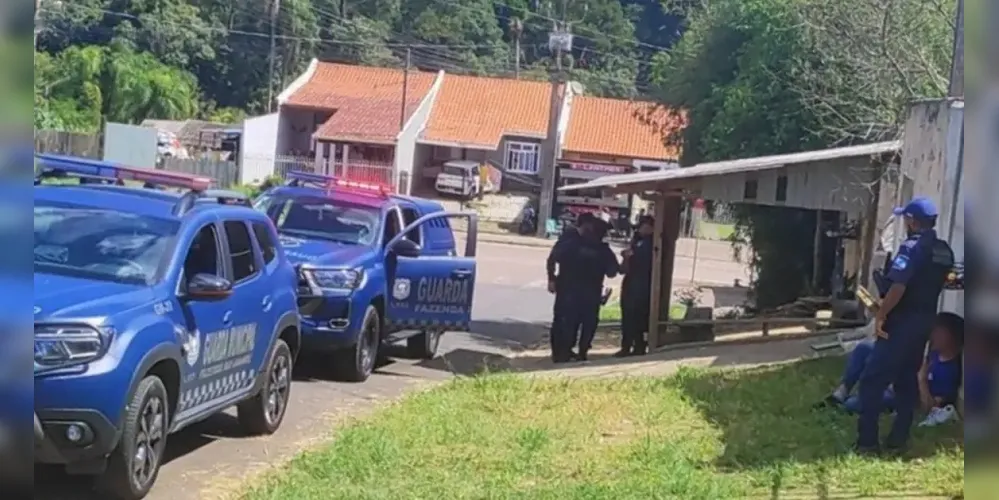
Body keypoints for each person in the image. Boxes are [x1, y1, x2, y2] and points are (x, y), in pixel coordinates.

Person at [854, 197, 955, 455]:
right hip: (925, 323)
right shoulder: (944, 250)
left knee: (872, 381)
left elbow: (899, 286)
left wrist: (881, 314)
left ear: (911, 221)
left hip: (901, 322)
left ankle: (867, 443)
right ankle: (899, 439)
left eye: (906, 219)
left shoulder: (911, 248)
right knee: (906, 380)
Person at [817, 312, 963, 419]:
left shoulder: (950, 370)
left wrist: (921, 379)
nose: (932, 336)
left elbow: (928, 408)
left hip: (903, 396)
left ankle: (859, 397)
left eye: (937, 333)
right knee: (865, 348)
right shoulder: (934, 352)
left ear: (950, 336)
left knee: (852, 404)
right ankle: (841, 392)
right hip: (899, 377)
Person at [547, 214, 619, 362]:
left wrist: (552, 279)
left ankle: (565, 351)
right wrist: (552, 279)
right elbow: (612, 272)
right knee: (581, 322)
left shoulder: (571, 243)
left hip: (572, 290)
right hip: (580, 291)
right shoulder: (597, 248)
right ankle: (574, 351)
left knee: (568, 321)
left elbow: (552, 259)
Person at [546, 213, 589, 362]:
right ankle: (559, 352)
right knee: (562, 319)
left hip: (578, 286)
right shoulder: (569, 239)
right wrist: (551, 279)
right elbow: (552, 259)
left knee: (573, 320)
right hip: (566, 284)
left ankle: (566, 349)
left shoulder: (585, 239)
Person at [616, 215, 655, 357]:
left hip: (642, 285)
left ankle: (639, 346)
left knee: (639, 318)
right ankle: (626, 346)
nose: (641, 229)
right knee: (628, 318)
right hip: (631, 284)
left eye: (645, 226)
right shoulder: (637, 241)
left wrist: (630, 254)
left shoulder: (652, 244)